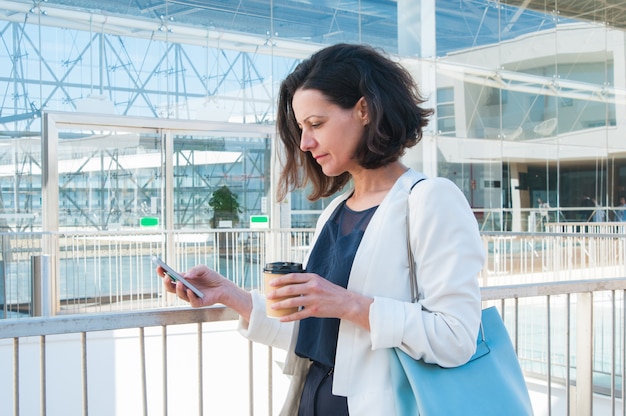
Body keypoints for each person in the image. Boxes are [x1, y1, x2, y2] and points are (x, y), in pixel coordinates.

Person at [157, 43, 485, 415]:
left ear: (364, 110)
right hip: (312, 400)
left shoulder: (430, 200)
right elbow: (322, 338)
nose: (305, 142)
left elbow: (457, 337)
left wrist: (348, 303)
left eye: (316, 124)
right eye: (301, 128)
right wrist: (233, 296)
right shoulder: (334, 212)